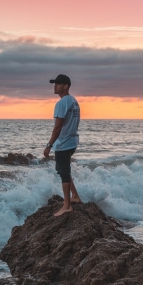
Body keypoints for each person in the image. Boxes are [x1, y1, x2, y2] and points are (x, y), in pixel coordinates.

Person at [44, 74, 82, 216]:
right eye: (54, 84)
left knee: (64, 172)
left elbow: (58, 127)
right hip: (72, 142)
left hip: (64, 143)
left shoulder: (61, 103)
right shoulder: (73, 101)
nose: (55, 86)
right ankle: (75, 197)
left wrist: (49, 145)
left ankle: (67, 205)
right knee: (63, 170)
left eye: (58, 84)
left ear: (65, 86)